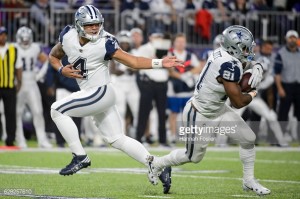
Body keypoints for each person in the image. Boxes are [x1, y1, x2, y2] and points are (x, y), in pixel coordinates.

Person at [48, 5, 181, 190]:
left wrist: (159, 62)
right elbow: (53, 56)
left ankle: (80, 156)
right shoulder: (68, 36)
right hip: (95, 94)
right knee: (116, 138)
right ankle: (157, 165)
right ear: (79, 25)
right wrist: (61, 69)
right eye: (89, 25)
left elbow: (133, 61)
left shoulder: (106, 42)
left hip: (100, 91)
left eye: (97, 24)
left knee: (57, 109)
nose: (94, 28)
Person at [148, 25, 271, 195]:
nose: (248, 50)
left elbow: (244, 61)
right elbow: (237, 102)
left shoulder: (225, 54)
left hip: (218, 109)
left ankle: (248, 181)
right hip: (199, 113)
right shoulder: (228, 64)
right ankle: (157, 164)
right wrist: (253, 92)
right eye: (244, 47)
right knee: (193, 157)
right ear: (232, 47)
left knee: (248, 138)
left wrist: (257, 66)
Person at [15, 26, 52, 148]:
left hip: (32, 83)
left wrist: (39, 74)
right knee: (17, 112)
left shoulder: (35, 48)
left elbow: (46, 61)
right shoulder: (13, 48)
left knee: (38, 111)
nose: (25, 42)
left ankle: (42, 140)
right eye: (23, 39)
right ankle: (20, 139)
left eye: (27, 39)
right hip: (18, 83)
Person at [167, 33, 201, 144]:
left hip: (188, 89)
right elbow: (170, 70)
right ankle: (172, 136)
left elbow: (199, 67)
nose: (181, 44)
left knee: (188, 113)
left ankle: (189, 136)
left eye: (183, 41)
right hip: (174, 89)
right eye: (178, 41)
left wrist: (189, 74)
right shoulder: (170, 54)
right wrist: (181, 76)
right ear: (174, 42)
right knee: (173, 113)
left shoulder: (190, 55)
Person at [274, 30, 300, 142]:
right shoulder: (281, 54)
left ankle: (298, 137)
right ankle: (281, 137)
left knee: (299, 113)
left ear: (297, 39)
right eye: (290, 38)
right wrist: (280, 88)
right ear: (286, 39)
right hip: (286, 86)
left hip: (299, 86)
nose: (292, 39)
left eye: (294, 37)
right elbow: (277, 73)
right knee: (283, 113)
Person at [0, 26, 22, 147]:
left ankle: (10, 140)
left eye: (4, 34)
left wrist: (19, 82)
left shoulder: (13, 49)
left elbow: (18, 67)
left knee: (11, 113)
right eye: (1, 34)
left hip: (9, 86)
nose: (3, 37)